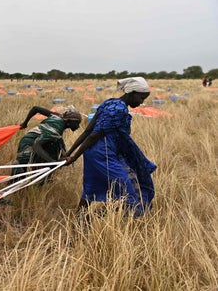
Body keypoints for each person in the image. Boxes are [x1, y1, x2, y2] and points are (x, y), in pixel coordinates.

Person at [64, 77, 156, 216]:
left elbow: (88, 130)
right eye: (141, 98)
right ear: (131, 93)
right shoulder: (118, 110)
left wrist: (70, 153)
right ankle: (99, 216)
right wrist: (74, 156)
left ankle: (79, 220)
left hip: (93, 152)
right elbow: (94, 135)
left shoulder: (109, 103)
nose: (142, 102)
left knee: (90, 187)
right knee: (128, 192)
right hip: (104, 153)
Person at [12, 106, 82, 181]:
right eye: (77, 123)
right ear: (69, 121)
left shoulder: (57, 116)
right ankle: (17, 183)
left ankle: (40, 179)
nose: (78, 126)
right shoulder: (56, 128)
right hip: (29, 142)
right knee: (22, 166)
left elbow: (36, 108)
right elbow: (36, 145)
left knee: (54, 148)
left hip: (39, 140)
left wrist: (25, 123)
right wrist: (52, 162)